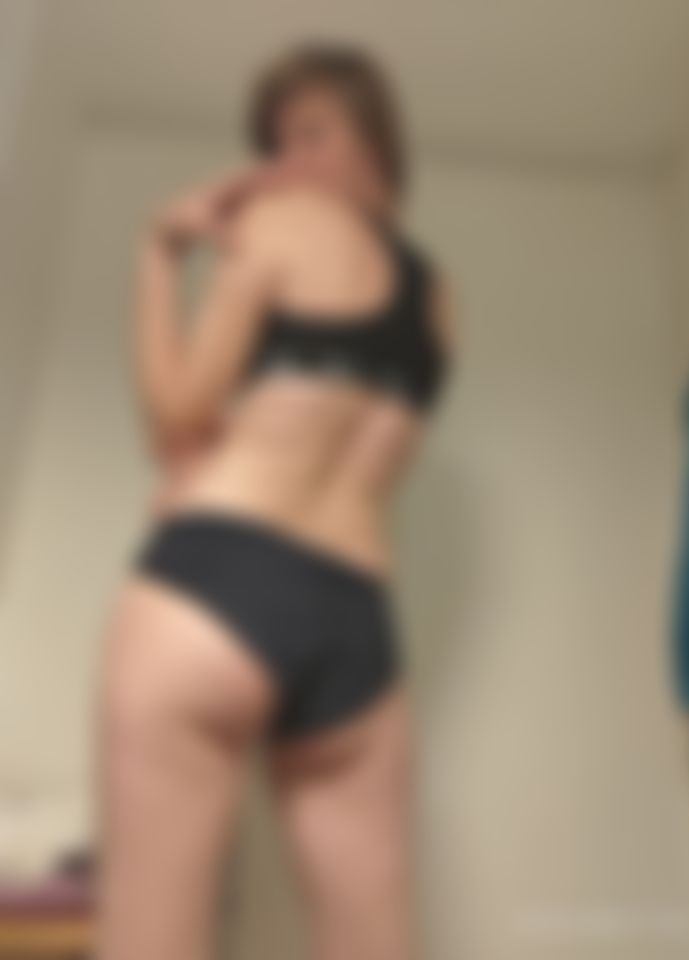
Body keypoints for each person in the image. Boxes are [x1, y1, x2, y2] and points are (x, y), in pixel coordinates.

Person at [97, 43, 454, 960]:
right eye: (273, 145)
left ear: (376, 137)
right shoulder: (439, 297)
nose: (284, 164)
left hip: (219, 580)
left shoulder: (284, 222)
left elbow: (173, 417)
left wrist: (159, 252)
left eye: (310, 134)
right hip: (357, 621)